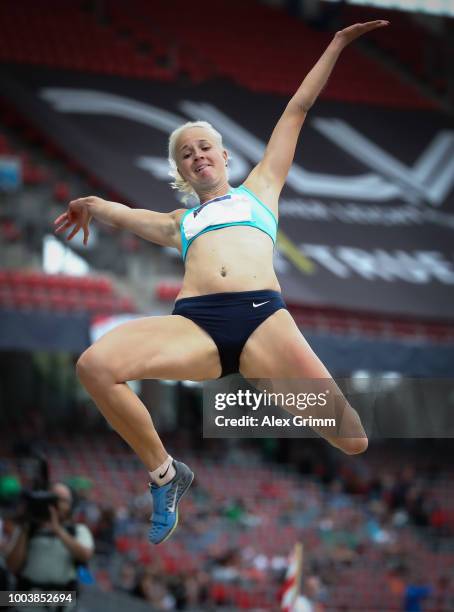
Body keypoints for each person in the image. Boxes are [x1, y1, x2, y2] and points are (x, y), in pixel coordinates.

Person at [54, 20, 388, 545]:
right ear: (182, 173)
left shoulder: (260, 191)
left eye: (205, 147)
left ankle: (268, 385)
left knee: (352, 439)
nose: (198, 156)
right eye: (187, 154)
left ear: (225, 157)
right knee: (95, 365)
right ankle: (166, 475)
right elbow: (120, 214)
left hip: (264, 322)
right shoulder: (179, 222)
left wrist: (338, 43)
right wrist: (90, 206)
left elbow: (296, 109)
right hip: (198, 327)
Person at [6, 483, 94, 610]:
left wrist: (58, 529)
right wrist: (26, 527)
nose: (57, 505)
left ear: (71, 505)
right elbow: (12, 566)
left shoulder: (78, 530)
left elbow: (85, 555)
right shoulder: (30, 529)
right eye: (53, 499)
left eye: (62, 500)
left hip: (60, 601)